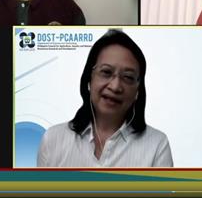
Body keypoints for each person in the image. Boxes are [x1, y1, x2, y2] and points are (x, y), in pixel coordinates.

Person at [37, 29, 173, 167]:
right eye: (106, 72)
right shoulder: (53, 139)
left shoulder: (157, 145)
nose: (115, 86)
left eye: (128, 77)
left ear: (138, 90)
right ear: (89, 79)